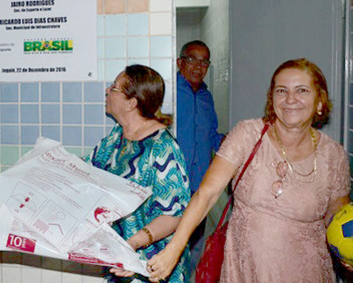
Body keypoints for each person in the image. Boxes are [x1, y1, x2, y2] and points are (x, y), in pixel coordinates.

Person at [147, 58, 351, 282]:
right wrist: (174, 249)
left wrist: (347, 250)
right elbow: (206, 194)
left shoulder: (333, 155)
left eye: (302, 90)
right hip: (245, 271)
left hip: (306, 272)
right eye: (281, 91)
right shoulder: (248, 134)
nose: (290, 99)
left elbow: (337, 215)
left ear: (320, 101)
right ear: (272, 100)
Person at [84, 65, 191, 283]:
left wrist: (133, 243)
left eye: (114, 88)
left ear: (132, 103)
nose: (107, 91)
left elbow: (175, 215)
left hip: (152, 265)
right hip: (120, 259)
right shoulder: (115, 137)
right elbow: (85, 172)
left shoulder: (162, 148)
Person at [176, 40, 224, 270]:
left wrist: (232, 141)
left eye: (204, 61)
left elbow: (212, 135)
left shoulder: (207, 98)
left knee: (195, 244)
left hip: (200, 187)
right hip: (173, 186)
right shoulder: (169, 92)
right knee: (171, 240)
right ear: (180, 63)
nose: (198, 66)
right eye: (192, 59)